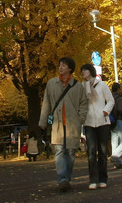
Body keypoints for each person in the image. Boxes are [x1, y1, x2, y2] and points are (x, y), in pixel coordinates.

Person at [39, 57, 89, 192]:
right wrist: (43, 122)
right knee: (60, 151)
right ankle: (63, 180)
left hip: (73, 124)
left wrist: (80, 118)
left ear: (70, 68)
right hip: (57, 123)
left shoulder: (77, 86)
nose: (61, 67)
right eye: (60, 65)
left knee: (71, 152)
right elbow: (46, 103)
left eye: (64, 65)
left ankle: (66, 177)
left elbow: (84, 104)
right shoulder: (51, 84)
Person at [80, 63, 114, 190]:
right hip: (89, 123)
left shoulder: (102, 85)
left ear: (91, 71)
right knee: (91, 152)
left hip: (103, 122)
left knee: (103, 151)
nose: (83, 72)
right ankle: (93, 179)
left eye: (85, 70)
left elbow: (110, 100)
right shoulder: (82, 87)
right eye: (82, 71)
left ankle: (103, 178)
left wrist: (105, 111)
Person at [109, 82, 122, 169]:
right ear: (118, 89)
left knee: (114, 143)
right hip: (119, 120)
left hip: (111, 121)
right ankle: (115, 157)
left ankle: (116, 163)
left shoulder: (109, 97)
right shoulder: (119, 98)